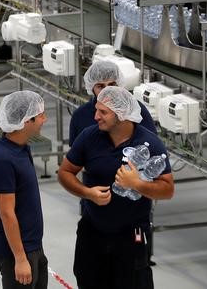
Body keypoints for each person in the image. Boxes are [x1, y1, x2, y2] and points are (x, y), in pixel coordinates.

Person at [58, 86, 175, 289]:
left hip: (131, 235)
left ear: (122, 115)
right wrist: (87, 193)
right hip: (92, 230)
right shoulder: (89, 137)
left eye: (103, 112)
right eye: (96, 110)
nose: (96, 116)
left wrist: (136, 184)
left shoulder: (149, 143)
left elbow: (168, 189)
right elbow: (65, 172)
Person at [0, 90, 49, 289]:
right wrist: (21, 259)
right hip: (17, 252)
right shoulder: (4, 160)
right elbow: (6, 213)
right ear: (26, 121)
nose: (44, 119)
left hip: (33, 246)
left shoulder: (21, 149)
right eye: (40, 115)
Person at [69, 60, 157, 146]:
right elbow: (75, 155)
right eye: (100, 86)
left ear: (119, 84)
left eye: (111, 85)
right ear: (92, 88)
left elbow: (152, 144)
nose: (107, 90)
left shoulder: (135, 109)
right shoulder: (80, 115)